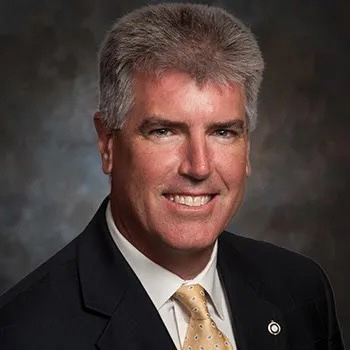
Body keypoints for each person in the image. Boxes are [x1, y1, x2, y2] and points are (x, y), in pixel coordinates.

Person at [0, 3, 344, 349]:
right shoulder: (23, 332)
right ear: (108, 145)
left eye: (223, 132)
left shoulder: (301, 290)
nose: (199, 167)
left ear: (247, 147)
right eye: (164, 131)